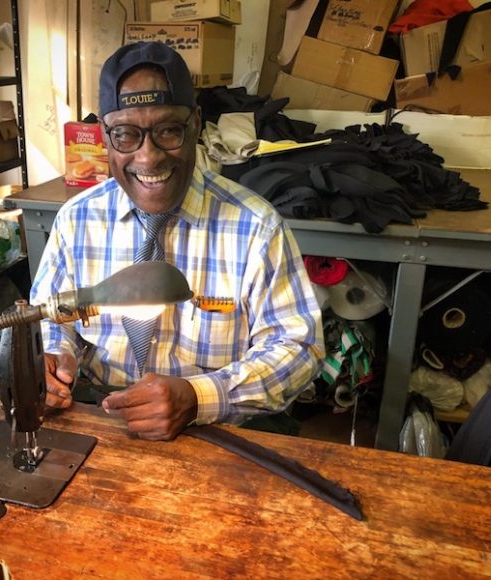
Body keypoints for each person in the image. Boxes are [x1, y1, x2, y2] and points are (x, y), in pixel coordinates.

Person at [30, 41, 323, 440]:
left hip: (216, 426)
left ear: (197, 124)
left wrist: (199, 398)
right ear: (104, 137)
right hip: (103, 415)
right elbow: (50, 320)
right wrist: (55, 360)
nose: (148, 158)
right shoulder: (76, 220)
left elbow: (299, 348)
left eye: (168, 130)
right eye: (126, 135)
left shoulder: (255, 227)